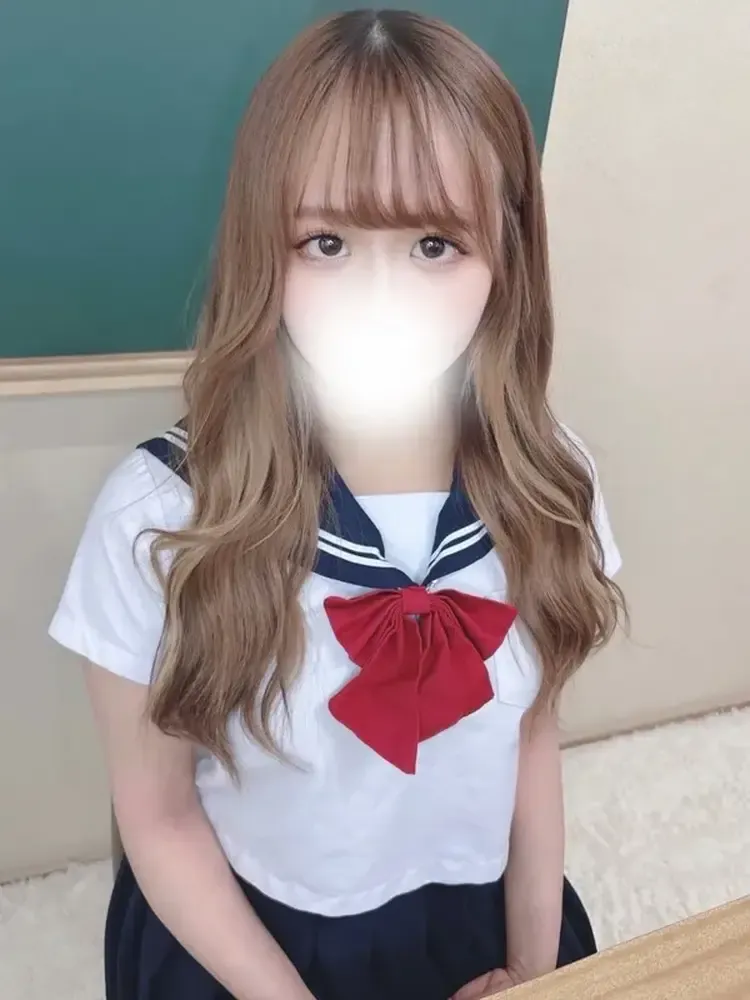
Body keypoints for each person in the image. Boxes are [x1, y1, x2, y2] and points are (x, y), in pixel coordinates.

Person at [49, 9, 626, 1000]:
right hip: (255, 943)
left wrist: (534, 967)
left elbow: (532, 736)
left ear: (506, 256)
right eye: (325, 242)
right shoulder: (158, 523)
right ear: (262, 249)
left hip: (476, 909)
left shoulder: (551, 483)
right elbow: (158, 817)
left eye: (435, 244)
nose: (381, 298)